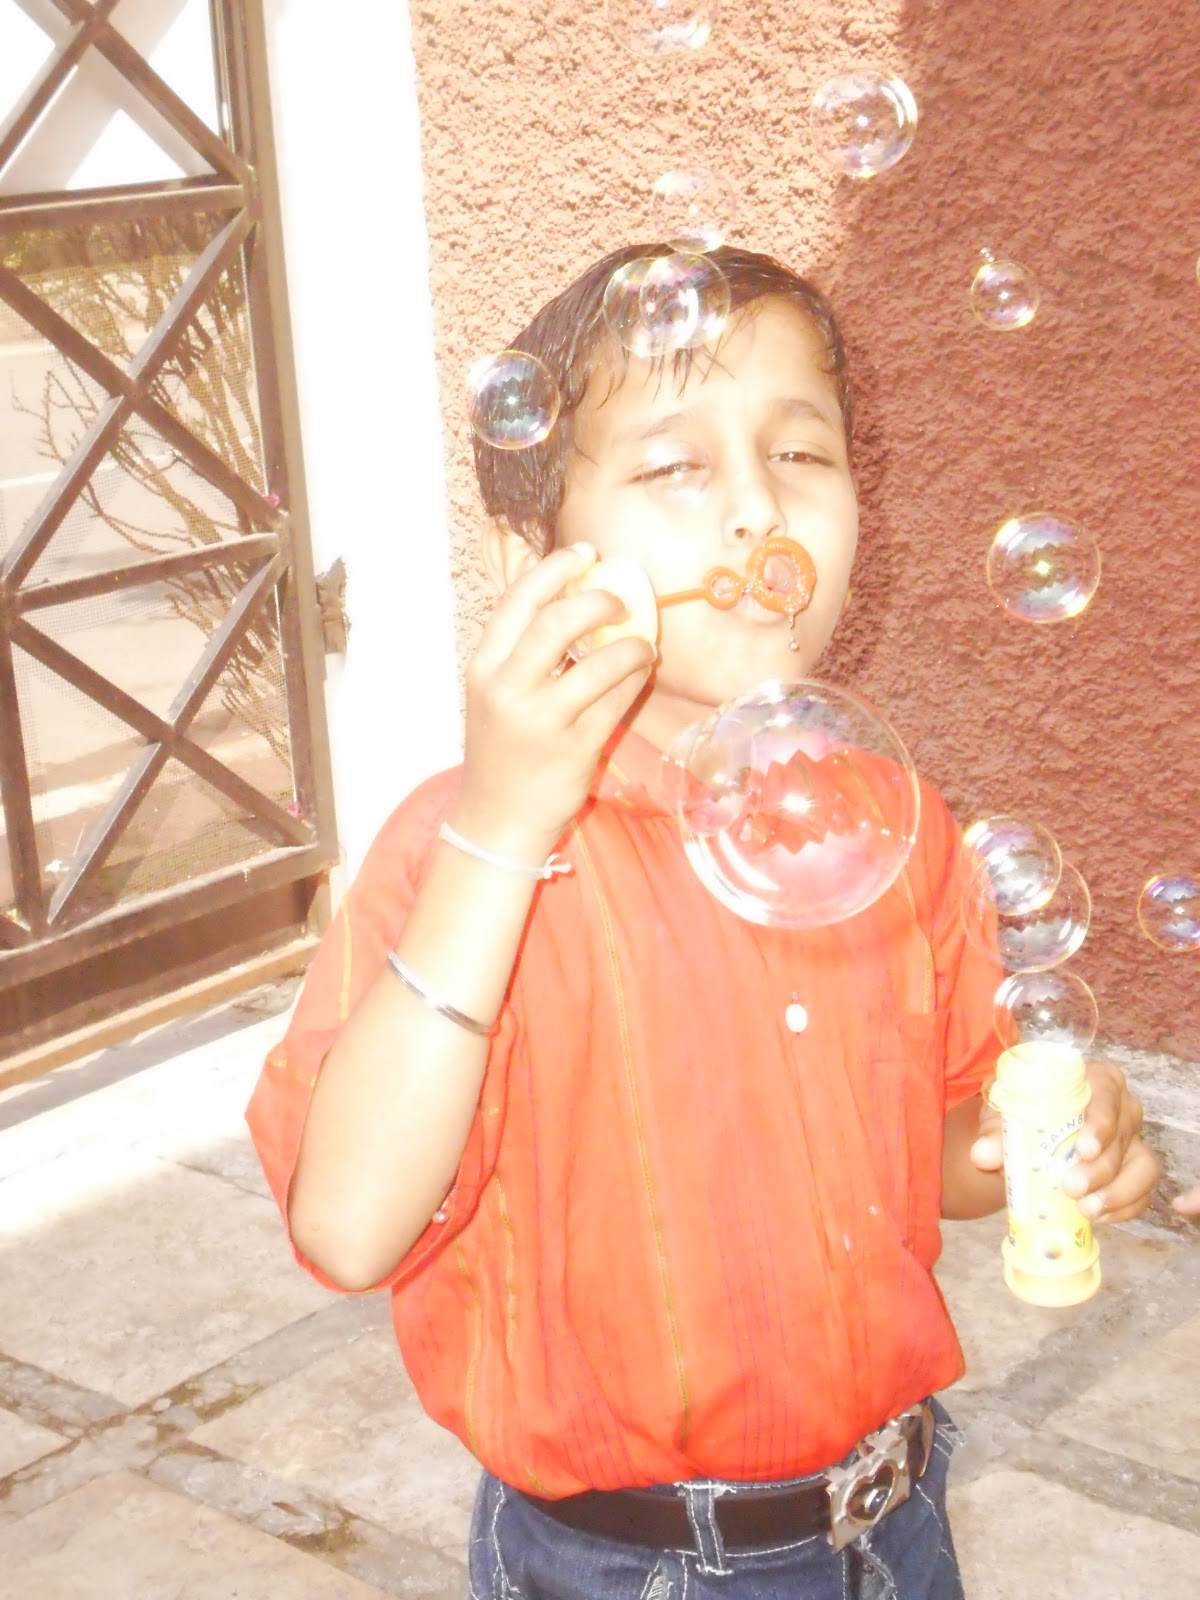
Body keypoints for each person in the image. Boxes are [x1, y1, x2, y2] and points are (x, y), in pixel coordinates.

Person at [246, 244, 1161, 1599]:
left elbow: (940, 1159)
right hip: (624, 1565)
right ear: (534, 558)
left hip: (895, 1521)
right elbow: (348, 1226)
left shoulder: (897, 829)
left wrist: (1052, 1142)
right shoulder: (462, 855)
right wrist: (501, 828)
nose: (755, 509)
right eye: (675, 467)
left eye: (802, 454)